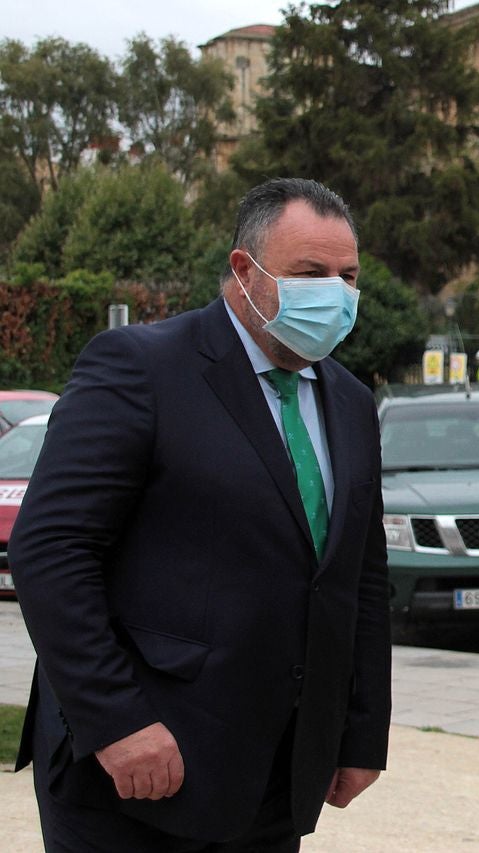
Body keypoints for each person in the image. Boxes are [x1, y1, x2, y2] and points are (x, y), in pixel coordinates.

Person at [10, 178, 391, 851]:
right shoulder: (140, 367)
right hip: (136, 770)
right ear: (244, 271)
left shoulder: (350, 399)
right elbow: (51, 549)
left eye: (348, 275)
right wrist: (117, 720)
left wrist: (360, 731)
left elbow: (358, 577)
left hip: (275, 774)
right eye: (310, 272)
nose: (334, 292)